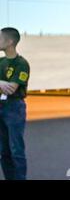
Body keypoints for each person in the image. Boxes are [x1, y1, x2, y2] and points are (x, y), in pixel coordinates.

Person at [0, 27, 30, 180]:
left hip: (14, 108)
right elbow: (4, 86)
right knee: (3, 150)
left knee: (16, 149)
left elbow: (11, 89)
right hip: (0, 106)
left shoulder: (21, 63)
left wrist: (3, 84)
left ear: (10, 42)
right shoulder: (0, 61)